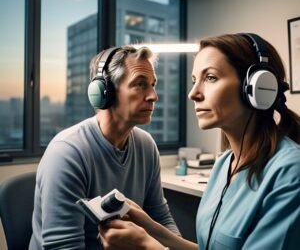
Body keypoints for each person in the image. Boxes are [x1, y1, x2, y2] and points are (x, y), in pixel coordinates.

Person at [99, 33, 300, 250]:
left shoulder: (291, 172)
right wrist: (150, 228)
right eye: (194, 81)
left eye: (210, 78)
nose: (193, 93)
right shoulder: (224, 165)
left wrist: (147, 246)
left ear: (257, 87)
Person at [29, 46, 180, 250]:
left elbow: (161, 218)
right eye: (140, 85)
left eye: (153, 85)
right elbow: (64, 247)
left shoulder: (146, 145)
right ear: (104, 92)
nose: (153, 96)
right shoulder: (67, 153)